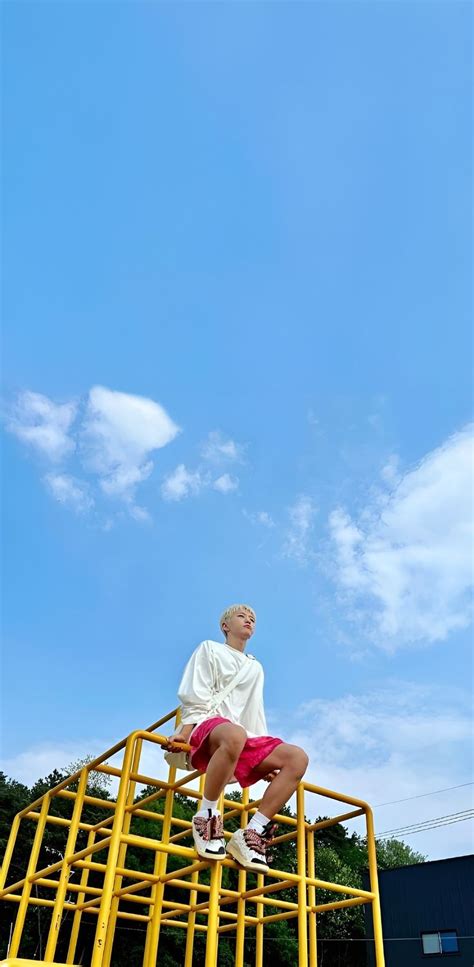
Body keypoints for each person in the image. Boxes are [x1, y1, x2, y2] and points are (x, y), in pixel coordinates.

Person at [164, 604, 309, 873]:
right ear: (225, 626)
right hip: (210, 725)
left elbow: (254, 709)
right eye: (242, 616)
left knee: (296, 757)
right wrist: (184, 731)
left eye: (253, 619)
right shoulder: (210, 648)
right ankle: (206, 816)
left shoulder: (255, 668)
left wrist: (262, 758)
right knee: (234, 733)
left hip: (241, 734)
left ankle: (252, 833)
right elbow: (197, 692)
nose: (249, 621)